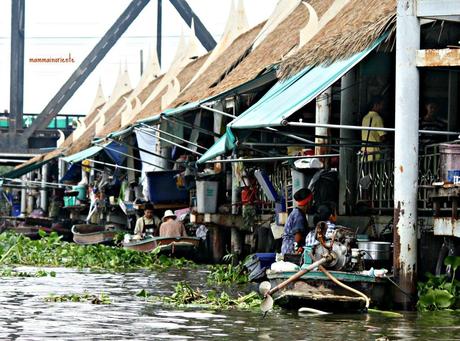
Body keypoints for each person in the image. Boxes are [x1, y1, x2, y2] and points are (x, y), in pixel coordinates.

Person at [281, 188, 313, 255]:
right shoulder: (299, 216)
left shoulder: (296, 212)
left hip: (287, 248)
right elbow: (297, 238)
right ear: (309, 202)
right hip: (291, 250)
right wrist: (296, 251)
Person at [361, 96, 387, 161]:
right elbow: (383, 137)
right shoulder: (378, 118)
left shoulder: (365, 118)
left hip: (364, 151)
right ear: (376, 105)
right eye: (381, 105)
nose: (382, 107)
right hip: (374, 153)